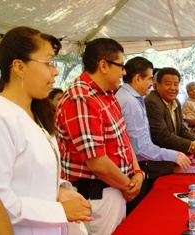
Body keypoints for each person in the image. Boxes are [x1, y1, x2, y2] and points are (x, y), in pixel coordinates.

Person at [0, 26, 92, 235]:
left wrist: (59, 191)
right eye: (48, 62)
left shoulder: (35, 114)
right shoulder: (2, 117)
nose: (56, 71)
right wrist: (58, 211)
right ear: (19, 67)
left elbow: (31, 175)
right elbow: (2, 201)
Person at [55, 38, 143, 235]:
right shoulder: (82, 98)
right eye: (121, 65)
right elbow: (98, 164)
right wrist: (129, 184)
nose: (124, 72)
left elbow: (123, 140)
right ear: (103, 65)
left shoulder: (107, 95)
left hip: (115, 189)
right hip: (97, 196)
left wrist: (137, 172)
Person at [115, 57, 190, 214]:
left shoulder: (133, 98)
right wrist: (173, 155)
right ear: (137, 78)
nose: (151, 83)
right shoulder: (130, 102)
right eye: (149, 78)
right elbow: (141, 148)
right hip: (131, 172)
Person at [144, 67, 195, 180]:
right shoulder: (152, 102)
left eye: (176, 84)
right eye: (168, 84)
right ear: (157, 85)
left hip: (172, 161)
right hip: (157, 165)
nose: (173, 88)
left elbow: (180, 127)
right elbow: (163, 136)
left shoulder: (175, 101)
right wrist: (192, 146)